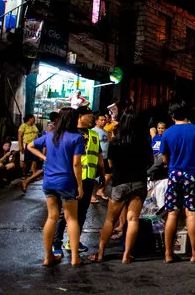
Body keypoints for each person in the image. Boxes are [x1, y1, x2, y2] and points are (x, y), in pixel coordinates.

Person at [90, 112, 153, 263]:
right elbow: (150, 161)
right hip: (139, 182)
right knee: (133, 219)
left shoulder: (115, 142)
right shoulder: (144, 142)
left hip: (120, 184)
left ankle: (100, 253)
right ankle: (127, 255)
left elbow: (110, 164)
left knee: (110, 220)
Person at [28, 107, 85, 267]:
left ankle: (48, 257)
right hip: (66, 182)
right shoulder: (76, 138)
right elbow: (76, 164)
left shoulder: (50, 135)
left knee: (51, 217)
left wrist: (44, 157)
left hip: (49, 182)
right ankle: (75, 258)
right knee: (71, 218)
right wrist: (80, 186)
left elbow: (30, 146)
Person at [53, 105, 105, 256]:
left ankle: (73, 241)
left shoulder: (94, 135)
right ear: (81, 116)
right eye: (90, 115)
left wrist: (102, 173)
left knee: (82, 212)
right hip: (71, 179)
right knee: (66, 213)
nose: (92, 118)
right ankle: (56, 243)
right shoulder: (70, 134)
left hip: (88, 178)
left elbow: (99, 156)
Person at [161, 101, 195, 263]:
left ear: (172, 116)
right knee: (192, 213)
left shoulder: (167, 133)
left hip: (174, 174)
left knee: (172, 213)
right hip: (193, 174)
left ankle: (168, 253)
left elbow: (164, 158)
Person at [93, 113, 111, 201]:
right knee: (92, 178)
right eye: (101, 120)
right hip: (96, 158)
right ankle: (91, 196)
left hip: (105, 158)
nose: (104, 121)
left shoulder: (105, 132)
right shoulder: (93, 131)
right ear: (96, 121)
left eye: (105, 120)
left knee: (108, 175)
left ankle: (100, 190)